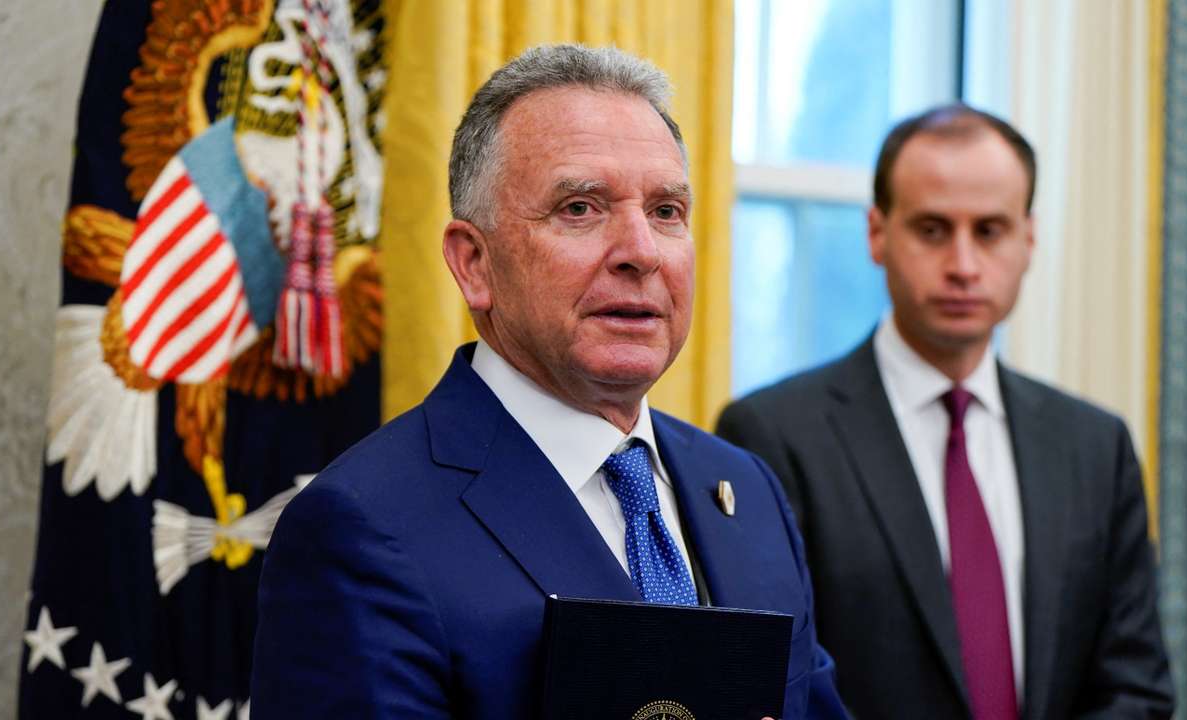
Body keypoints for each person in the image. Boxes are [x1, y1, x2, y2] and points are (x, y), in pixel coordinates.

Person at [251, 44, 847, 719]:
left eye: (666, 212)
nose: (641, 253)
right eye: (580, 208)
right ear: (474, 264)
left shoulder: (747, 492)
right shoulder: (361, 528)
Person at [717, 104, 1174, 720]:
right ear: (877, 233)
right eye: (933, 230)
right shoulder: (772, 436)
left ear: (1028, 239)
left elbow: (1137, 689)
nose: (963, 265)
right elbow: (772, 687)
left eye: (990, 231)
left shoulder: (1095, 446)